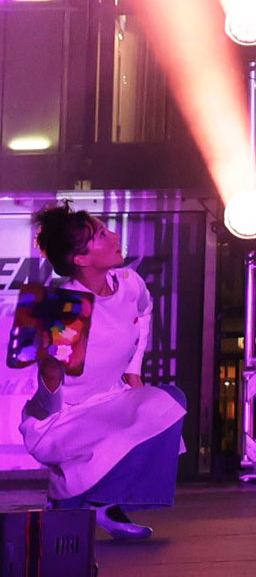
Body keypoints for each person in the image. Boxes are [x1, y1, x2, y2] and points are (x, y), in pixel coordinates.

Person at [19, 205, 187, 540]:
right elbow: (50, 400)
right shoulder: (65, 306)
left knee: (169, 401)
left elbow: (145, 312)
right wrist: (49, 368)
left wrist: (134, 371)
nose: (113, 237)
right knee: (156, 409)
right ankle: (72, 499)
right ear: (80, 259)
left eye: (105, 230)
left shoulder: (128, 282)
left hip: (112, 398)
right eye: (100, 236)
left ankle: (101, 502)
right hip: (64, 418)